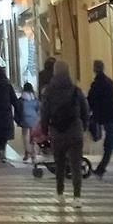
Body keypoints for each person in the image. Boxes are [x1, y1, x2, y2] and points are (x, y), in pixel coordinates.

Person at [40, 61, 89, 201]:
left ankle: (60, 193)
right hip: (75, 131)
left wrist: (44, 130)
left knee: (60, 164)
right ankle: (77, 197)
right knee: (75, 165)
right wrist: (83, 127)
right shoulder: (75, 90)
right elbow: (85, 111)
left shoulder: (48, 91)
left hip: (57, 132)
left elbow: (44, 113)